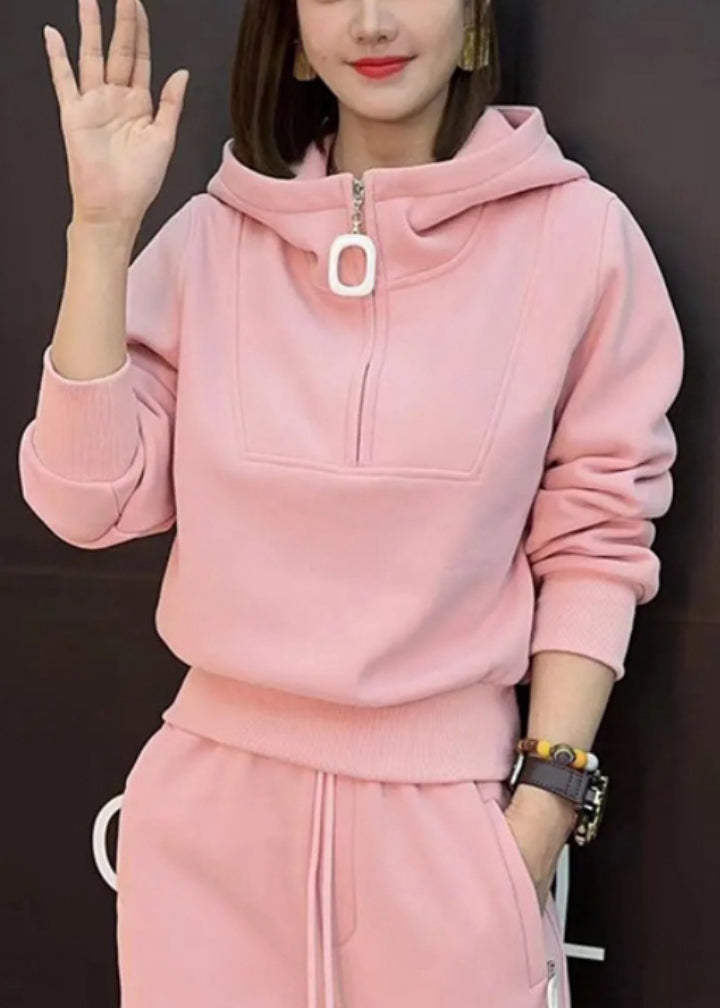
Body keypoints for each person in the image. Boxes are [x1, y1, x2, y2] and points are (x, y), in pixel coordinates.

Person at [23, 0, 684, 1006]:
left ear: (474, 16)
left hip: (446, 844)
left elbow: (598, 536)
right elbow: (84, 502)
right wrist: (103, 233)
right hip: (205, 842)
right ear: (291, 31)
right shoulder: (211, 240)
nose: (372, 21)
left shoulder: (580, 239)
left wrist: (541, 810)